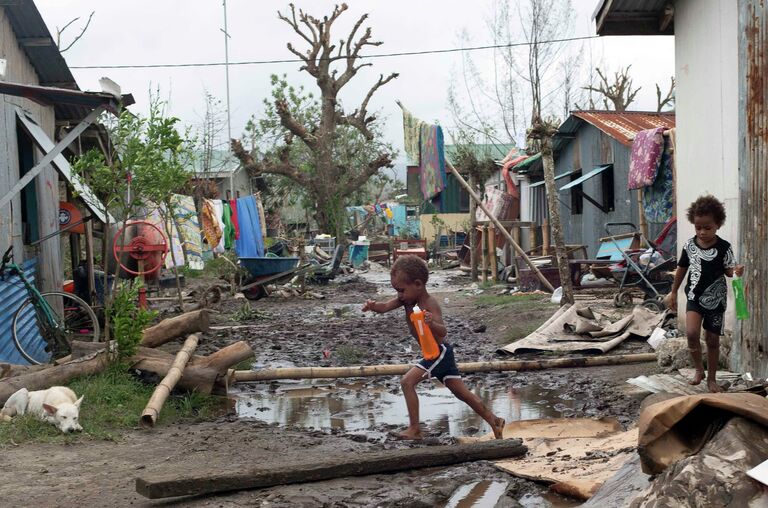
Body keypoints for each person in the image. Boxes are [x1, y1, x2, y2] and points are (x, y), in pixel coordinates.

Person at [362, 255, 506, 440]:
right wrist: (372, 306)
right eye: (396, 291)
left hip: (438, 352)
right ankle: (495, 420)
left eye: (401, 290)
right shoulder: (406, 300)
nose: (399, 295)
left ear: (418, 284)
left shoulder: (429, 304)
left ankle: (414, 429)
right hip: (438, 354)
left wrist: (431, 323)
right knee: (463, 394)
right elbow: (384, 306)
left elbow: (443, 331)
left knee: (407, 382)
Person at [665, 195, 744, 393]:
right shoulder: (690, 246)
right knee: (692, 334)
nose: (702, 232)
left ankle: (712, 379)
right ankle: (699, 370)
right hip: (694, 296)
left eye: (707, 228)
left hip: (716, 300)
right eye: (698, 227)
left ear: (718, 224)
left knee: (712, 340)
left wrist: (736, 272)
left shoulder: (724, 247)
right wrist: (673, 292)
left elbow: (728, 270)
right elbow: (682, 269)